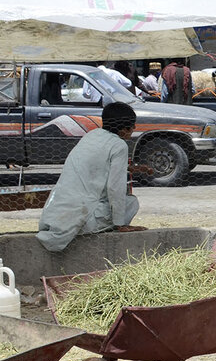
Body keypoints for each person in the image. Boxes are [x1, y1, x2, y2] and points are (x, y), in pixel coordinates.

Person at [35, 102, 143, 252]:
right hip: (84, 221)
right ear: (124, 129)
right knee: (131, 202)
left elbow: (97, 164)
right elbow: (115, 188)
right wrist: (121, 224)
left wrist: (131, 168)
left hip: (53, 217)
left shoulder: (91, 136)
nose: (134, 129)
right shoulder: (119, 145)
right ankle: (113, 225)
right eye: (132, 126)